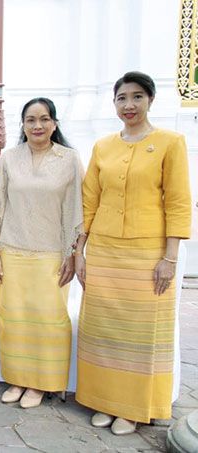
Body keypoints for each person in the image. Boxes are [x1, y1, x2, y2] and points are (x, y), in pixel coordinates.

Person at [74, 71, 191, 435]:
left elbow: (178, 201)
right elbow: (88, 200)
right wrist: (79, 251)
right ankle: (105, 402)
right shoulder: (103, 146)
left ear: (151, 100)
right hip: (106, 251)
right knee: (104, 329)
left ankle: (135, 408)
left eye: (137, 96)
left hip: (147, 253)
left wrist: (169, 258)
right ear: (114, 103)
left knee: (141, 332)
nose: (129, 105)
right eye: (122, 98)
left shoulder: (171, 142)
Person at [0, 98, 83, 408]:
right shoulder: (9, 159)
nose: (37, 126)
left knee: (48, 319)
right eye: (30, 120)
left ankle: (41, 384)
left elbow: (77, 209)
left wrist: (72, 252)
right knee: (13, 317)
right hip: (11, 251)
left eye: (44, 119)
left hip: (51, 254)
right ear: (23, 125)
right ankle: (17, 379)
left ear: (54, 123)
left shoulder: (69, 159)